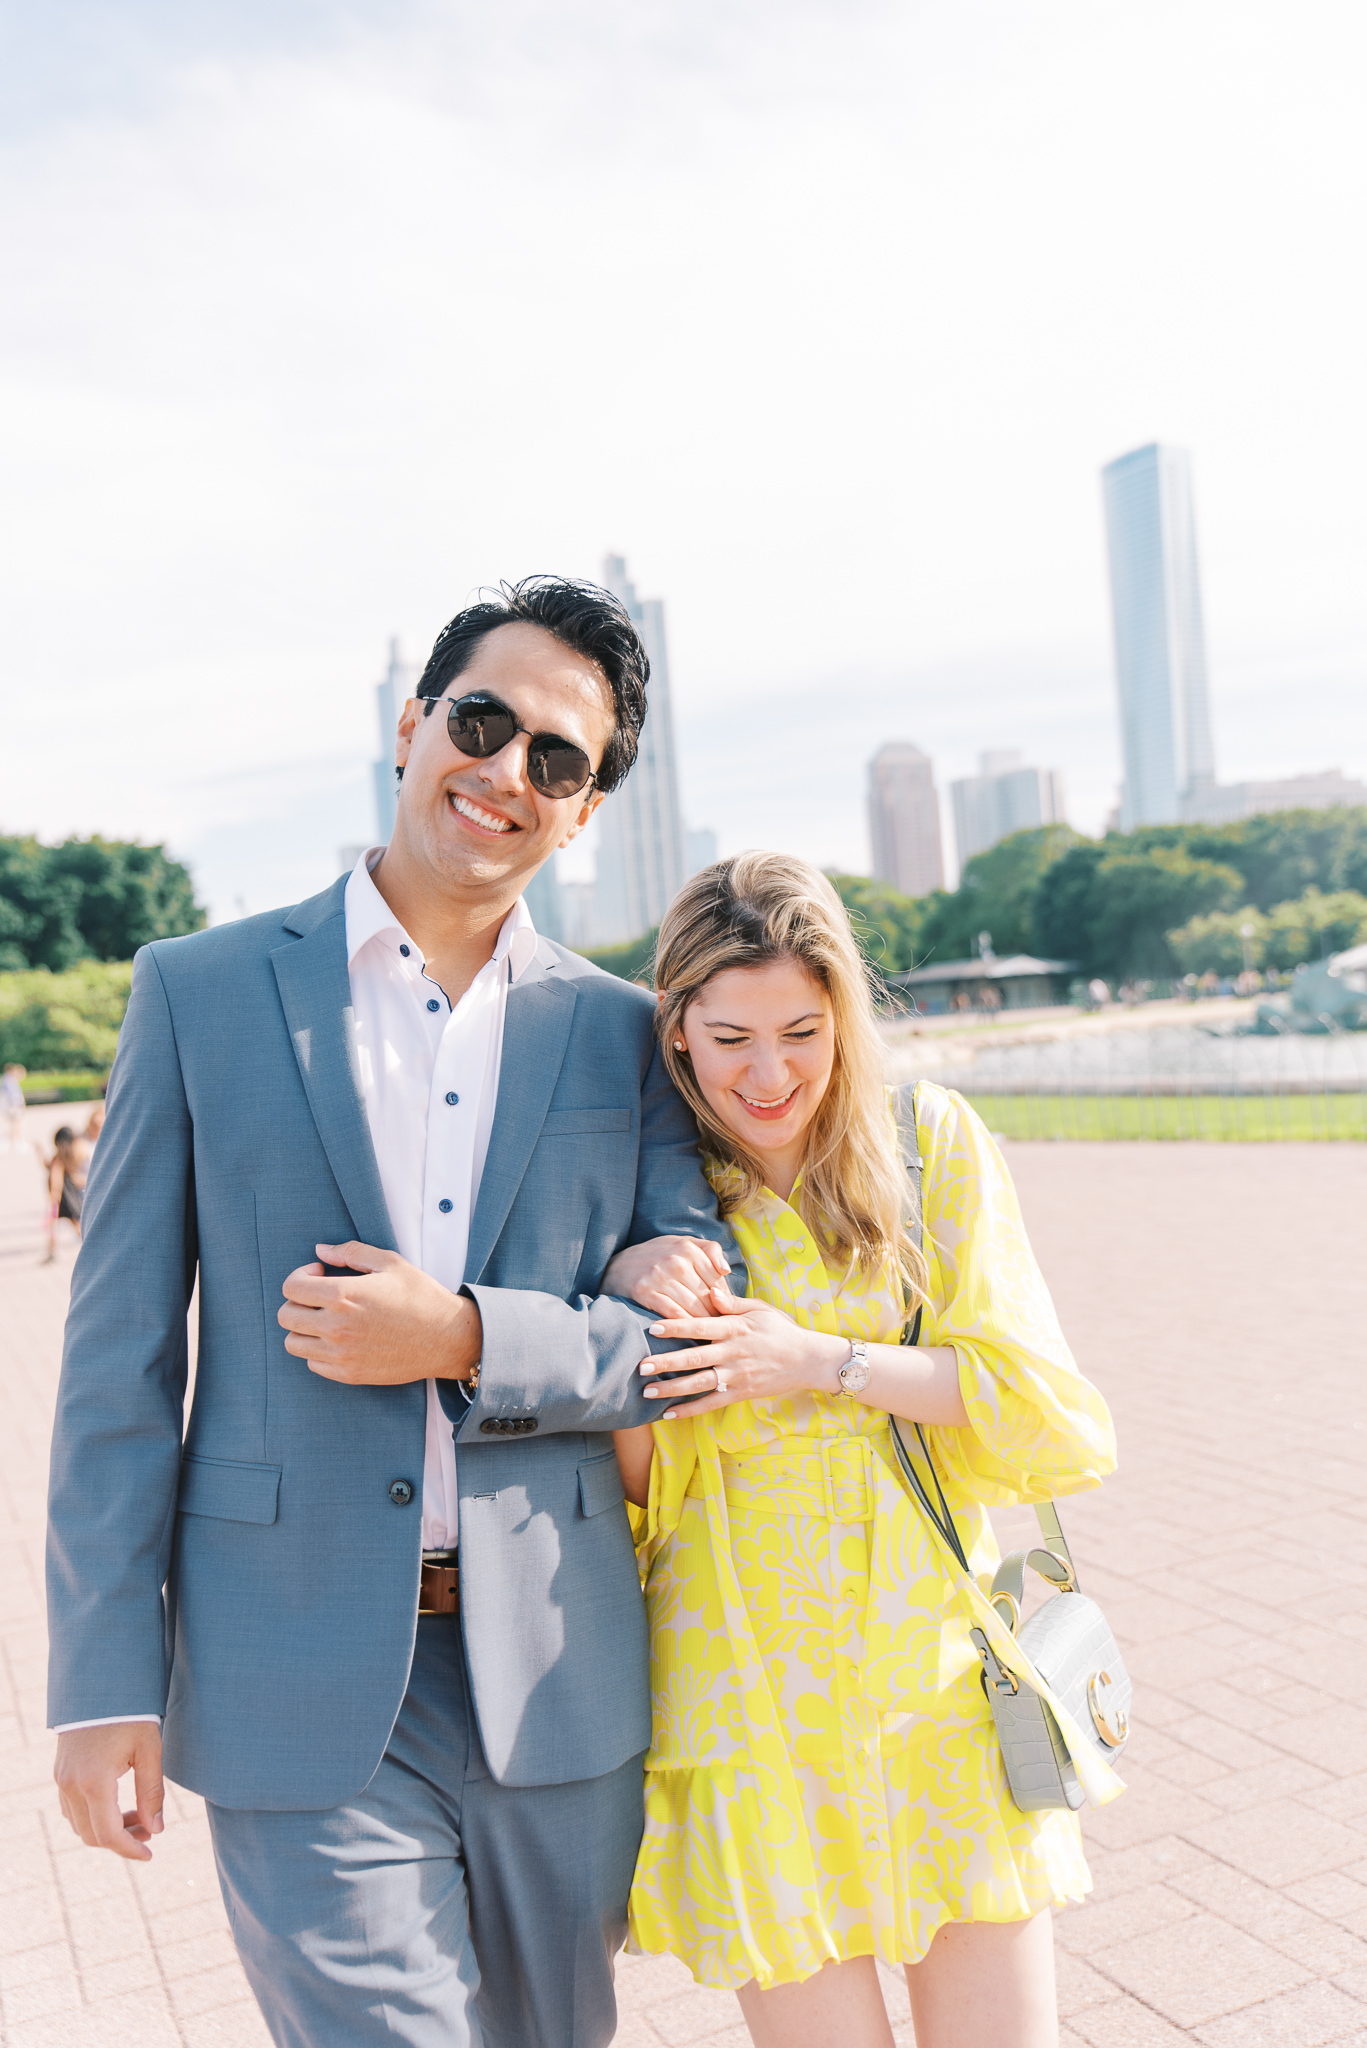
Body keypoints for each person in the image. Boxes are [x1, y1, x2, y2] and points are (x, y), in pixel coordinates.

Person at [46, 577, 742, 2048]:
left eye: (558, 760)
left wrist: (473, 1340)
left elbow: (691, 1339)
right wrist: (100, 1677)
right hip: (286, 1676)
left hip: (553, 1678)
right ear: (414, 724)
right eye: (482, 724)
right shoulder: (199, 991)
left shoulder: (622, 1035)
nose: (506, 774)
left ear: (586, 813)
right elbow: (116, 1366)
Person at [604, 852, 1118, 2048]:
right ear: (674, 1027)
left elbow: (1045, 1412)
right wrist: (619, 1304)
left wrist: (817, 1357)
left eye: (800, 1027)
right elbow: (637, 1493)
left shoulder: (922, 1144)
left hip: (929, 1688)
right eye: (728, 1035)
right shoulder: (650, 1195)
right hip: (743, 1718)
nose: (768, 1072)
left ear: (842, 1009)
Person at [44, 1123, 92, 1261]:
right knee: (77, 1222)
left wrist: (54, 1198)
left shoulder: (58, 1158)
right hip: (72, 1195)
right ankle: (86, 1245)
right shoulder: (72, 1156)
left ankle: (52, 1251)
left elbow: (56, 1179)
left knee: (55, 1224)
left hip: (60, 1198)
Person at [1, 1062, 26, 1151]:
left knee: (15, 1124)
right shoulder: (10, 1080)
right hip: (14, 1107)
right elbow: (13, 1096)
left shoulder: (7, 1079)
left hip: (11, 1107)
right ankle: (15, 1143)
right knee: (16, 1124)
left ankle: (12, 1142)